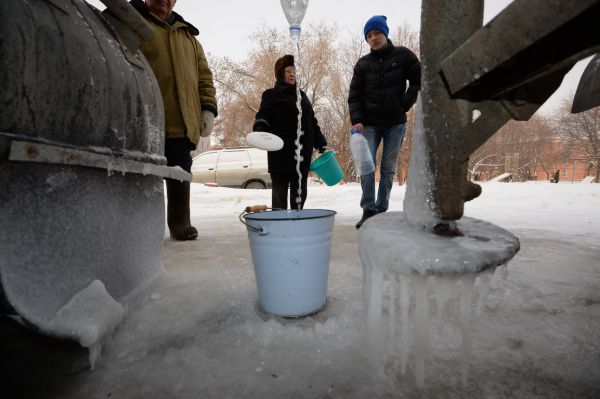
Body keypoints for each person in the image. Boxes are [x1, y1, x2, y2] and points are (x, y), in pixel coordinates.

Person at [131, 0, 218, 240]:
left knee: (180, 173)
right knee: (143, 176)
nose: (164, 1)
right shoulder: (134, 21)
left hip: (181, 122)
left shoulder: (189, 37)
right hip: (144, 119)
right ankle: (139, 230)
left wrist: (208, 109)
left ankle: (180, 224)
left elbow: (204, 79)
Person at [348, 15, 421, 229]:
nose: (373, 38)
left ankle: (381, 210)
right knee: (367, 167)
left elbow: (418, 81)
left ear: (385, 33)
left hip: (395, 124)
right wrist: (357, 120)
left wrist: (404, 105)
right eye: (369, 35)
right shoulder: (363, 64)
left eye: (377, 33)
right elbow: (354, 95)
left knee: (388, 168)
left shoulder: (404, 55)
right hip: (368, 124)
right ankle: (368, 210)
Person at [253, 55, 328, 210]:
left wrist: (320, 142)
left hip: (302, 153)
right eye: (288, 71)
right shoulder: (271, 94)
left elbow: (311, 121)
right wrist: (260, 129)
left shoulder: (302, 96)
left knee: (299, 195)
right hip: (280, 153)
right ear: (280, 73)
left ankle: (297, 223)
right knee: (279, 195)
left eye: (295, 71)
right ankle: (279, 227)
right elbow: (262, 116)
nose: (292, 74)